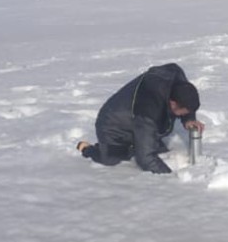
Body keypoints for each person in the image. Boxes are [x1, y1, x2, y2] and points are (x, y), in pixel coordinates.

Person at [76, 62, 205, 174]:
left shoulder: (176, 77)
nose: (184, 114)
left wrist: (189, 119)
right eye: (183, 112)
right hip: (113, 125)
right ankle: (86, 148)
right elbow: (146, 159)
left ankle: (136, 145)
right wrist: (169, 179)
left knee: (159, 149)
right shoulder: (149, 106)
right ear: (173, 103)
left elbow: (186, 97)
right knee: (111, 158)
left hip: (138, 119)